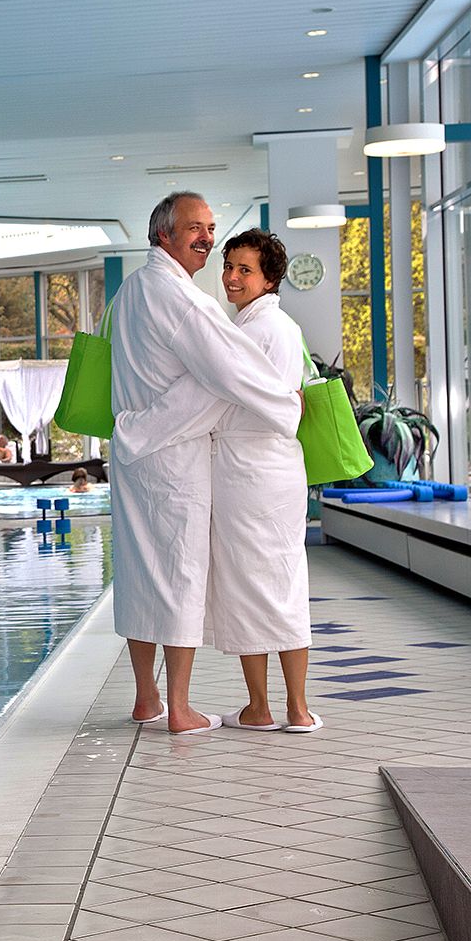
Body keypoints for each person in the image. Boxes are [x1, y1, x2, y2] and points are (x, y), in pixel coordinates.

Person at [108, 192, 301, 736]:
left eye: (211, 228)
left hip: (134, 452)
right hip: (173, 457)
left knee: (142, 574)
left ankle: (147, 698)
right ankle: (181, 707)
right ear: (163, 234)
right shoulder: (180, 299)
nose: (207, 238)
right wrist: (286, 402)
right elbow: (228, 371)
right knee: (179, 575)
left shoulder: (129, 292)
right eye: (196, 228)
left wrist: (134, 430)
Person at [208, 230, 317, 732]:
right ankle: (298, 709)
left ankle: (260, 708)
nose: (231, 277)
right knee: (287, 582)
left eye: (244, 269)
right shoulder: (286, 327)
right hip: (281, 473)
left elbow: (220, 402)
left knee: (245, 586)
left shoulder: (249, 331)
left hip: (244, 472)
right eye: (228, 266)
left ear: (269, 278)